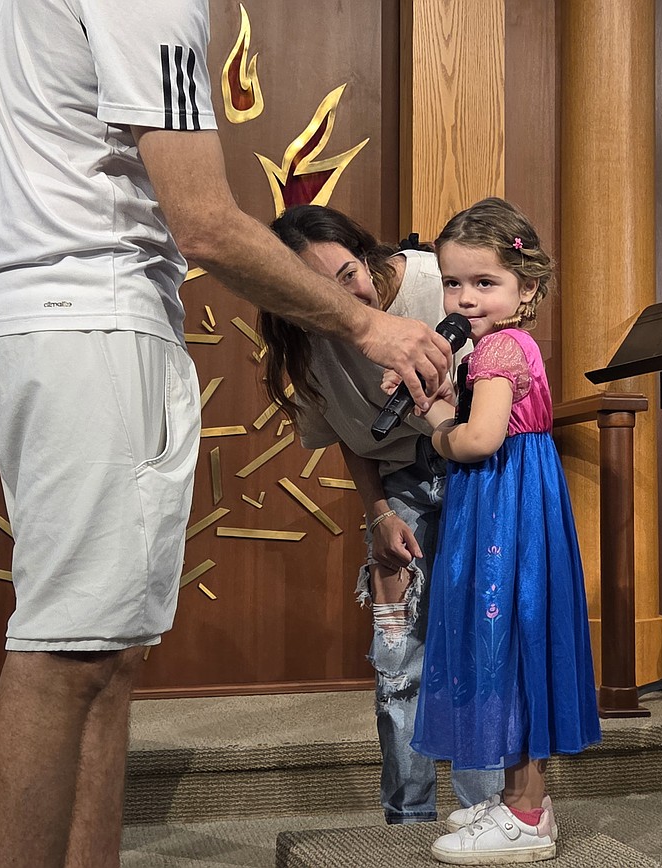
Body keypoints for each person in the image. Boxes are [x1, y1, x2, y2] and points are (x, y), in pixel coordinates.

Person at [0, 3, 452, 866]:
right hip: (92, 317)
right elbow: (203, 219)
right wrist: (367, 326)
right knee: (67, 649)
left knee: (106, 654)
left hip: (69, 318)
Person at [258, 204, 502, 825]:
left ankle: (483, 812)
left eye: (348, 273)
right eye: (317, 290)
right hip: (400, 486)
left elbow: (506, 370)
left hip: (476, 475)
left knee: (476, 646)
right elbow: (349, 432)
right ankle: (407, 818)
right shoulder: (307, 342)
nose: (347, 294)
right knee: (398, 657)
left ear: (363, 251)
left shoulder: (433, 281)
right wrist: (378, 514)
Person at [398, 198, 602, 863]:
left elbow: (480, 440)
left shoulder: (501, 349)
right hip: (508, 504)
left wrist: (436, 427)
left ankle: (525, 812)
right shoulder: (496, 347)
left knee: (505, 644)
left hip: (504, 513)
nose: (463, 297)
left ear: (527, 287)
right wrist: (441, 402)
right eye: (453, 282)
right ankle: (520, 799)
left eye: (485, 283)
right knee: (509, 642)